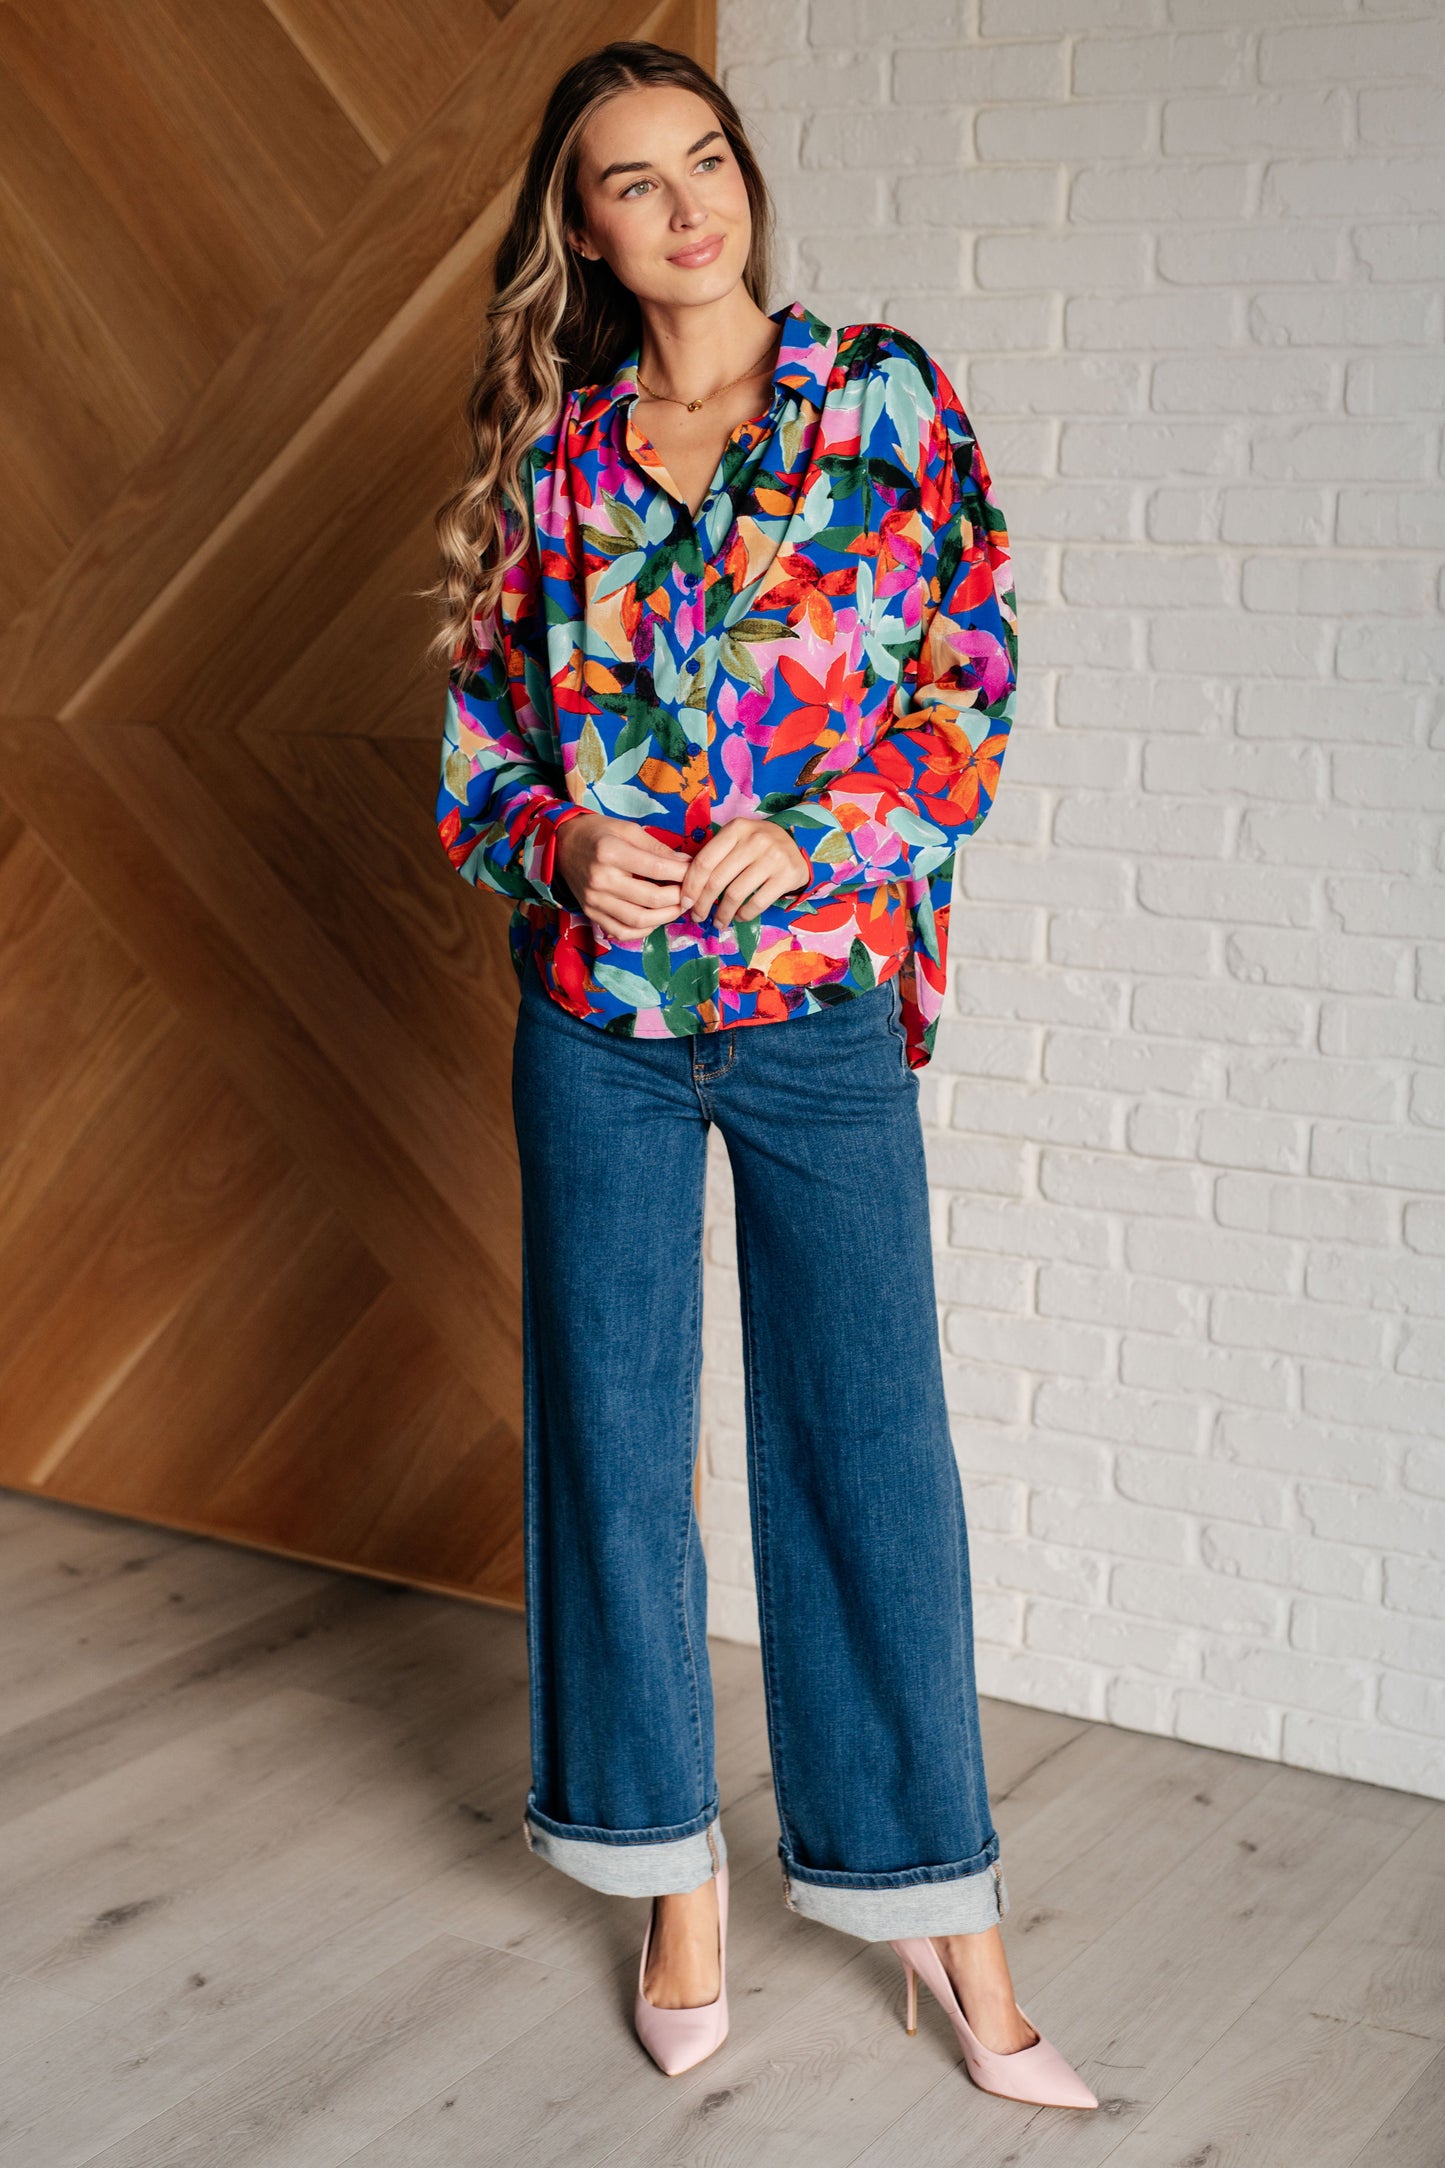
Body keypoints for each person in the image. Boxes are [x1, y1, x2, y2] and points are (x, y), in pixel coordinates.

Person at [431, 39, 1097, 2114]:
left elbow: (970, 676)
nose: (687, 205)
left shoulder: (879, 397)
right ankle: (671, 1885)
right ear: (583, 231)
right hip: (601, 1026)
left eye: (704, 159)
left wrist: (827, 828)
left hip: (816, 1009)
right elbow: (479, 739)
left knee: (867, 1451)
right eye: (633, 181)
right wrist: (555, 838)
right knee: (613, 1450)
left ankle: (945, 1920)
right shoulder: (558, 460)